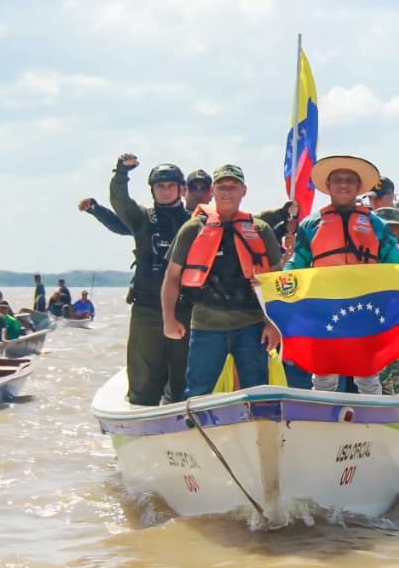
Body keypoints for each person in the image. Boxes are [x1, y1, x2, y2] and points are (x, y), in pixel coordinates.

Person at [288, 155, 399, 395]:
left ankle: (373, 424)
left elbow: (397, 262)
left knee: (367, 376)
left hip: (365, 308)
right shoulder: (310, 225)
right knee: (323, 376)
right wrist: (270, 284)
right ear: (329, 186)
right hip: (324, 308)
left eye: (350, 180)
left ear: (358, 187)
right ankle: (324, 423)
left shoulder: (376, 225)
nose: (343, 185)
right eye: (338, 180)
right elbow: (297, 264)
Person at [162, 164, 283, 399]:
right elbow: (172, 277)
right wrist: (168, 319)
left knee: (257, 390)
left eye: (233, 186)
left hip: (252, 325)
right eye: (221, 187)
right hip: (207, 324)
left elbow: (278, 280)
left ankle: (256, 432)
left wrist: (274, 325)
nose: (227, 192)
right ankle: (199, 431)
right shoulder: (192, 229)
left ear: (243, 190)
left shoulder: (260, 229)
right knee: (198, 391)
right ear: (213, 191)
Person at [110, 153, 193, 405]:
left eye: (170, 186)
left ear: (181, 189)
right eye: (160, 186)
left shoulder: (196, 222)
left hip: (186, 309)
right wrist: (121, 173)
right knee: (144, 377)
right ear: (153, 190)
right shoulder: (142, 218)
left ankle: (184, 423)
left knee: (183, 376)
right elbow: (120, 203)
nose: (165, 191)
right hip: (147, 308)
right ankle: (141, 422)